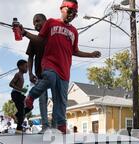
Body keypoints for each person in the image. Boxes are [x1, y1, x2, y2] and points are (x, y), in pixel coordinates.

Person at [13, 0, 101, 134]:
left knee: (61, 100)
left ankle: (61, 127)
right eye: (69, 11)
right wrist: (24, 32)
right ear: (62, 9)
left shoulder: (74, 32)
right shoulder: (51, 23)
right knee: (50, 78)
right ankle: (30, 97)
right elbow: (39, 40)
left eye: (75, 13)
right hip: (49, 64)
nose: (71, 15)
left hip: (65, 70)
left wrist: (91, 55)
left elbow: (75, 51)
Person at [26, 13, 50, 132]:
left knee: (58, 99)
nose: (36, 24)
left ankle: (57, 126)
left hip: (55, 73)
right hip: (41, 75)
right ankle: (45, 126)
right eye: (34, 22)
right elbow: (30, 57)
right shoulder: (33, 40)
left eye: (38, 21)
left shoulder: (53, 37)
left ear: (46, 22)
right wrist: (30, 73)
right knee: (42, 100)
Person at [10, 59, 29, 132]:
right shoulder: (18, 74)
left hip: (19, 94)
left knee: (29, 106)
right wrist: (21, 90)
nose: (27, 68)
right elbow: (11, 84)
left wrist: (23, 91)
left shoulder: (22, 75)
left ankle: (17, 115)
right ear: (20, 67)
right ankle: (19, 129)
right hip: (15, 94)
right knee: (21, 111)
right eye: (26, 66)